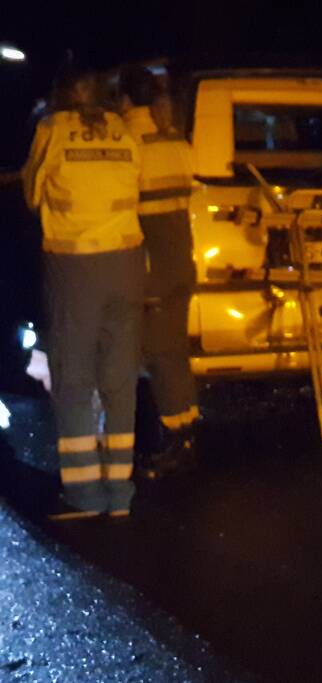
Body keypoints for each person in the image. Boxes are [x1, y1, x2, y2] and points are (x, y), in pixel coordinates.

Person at [22, 67, 144, 519]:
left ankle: (85, 495)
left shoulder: (52, 129)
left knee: (73, 380)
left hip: (75, 265)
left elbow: (33, 193)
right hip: (128, 262)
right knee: (120, 380)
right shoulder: (122, 129)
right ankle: (120, 494)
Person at [119, 65, 199, 479]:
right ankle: (185, 430)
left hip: (153, 268)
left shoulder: (129, 140)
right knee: (175, 351)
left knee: (160, 355)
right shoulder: (175, 139)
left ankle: (177, 440)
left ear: (127, 99)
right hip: (181, 261)